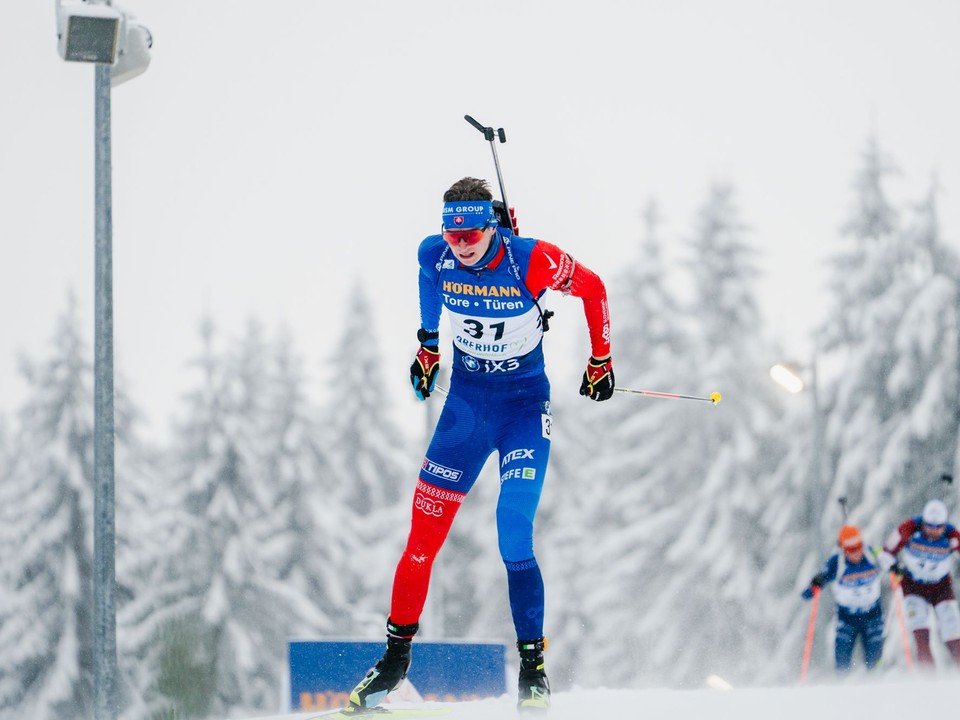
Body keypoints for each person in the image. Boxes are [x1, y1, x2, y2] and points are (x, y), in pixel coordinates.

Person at [346, 177, 613, 715]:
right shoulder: (436, 254)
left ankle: (533, 669)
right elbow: (428, 282)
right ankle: (395, 660)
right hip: (466, 411)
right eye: (452, 232)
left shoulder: (531, 260)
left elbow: (594, 288)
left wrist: (600, 359)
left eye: (470, 232)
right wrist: (426, 348)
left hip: (520, 409)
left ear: (492, 225)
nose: (461, 243)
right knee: (422, 537)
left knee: (513, 529)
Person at [879, 499, 960, 667]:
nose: (934, 531)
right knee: (920, 631)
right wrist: (894, 567)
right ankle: (928, 677)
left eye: (939, 527)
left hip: (941, 586)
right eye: (930, 526)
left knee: (952, 631)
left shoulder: (952, 535)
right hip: (913, 586)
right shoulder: (909, 528)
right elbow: (885, 553)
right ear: (923, 522)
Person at [801, 525, 885, 672]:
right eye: (851, 549)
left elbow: (890, 561)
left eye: (859, 547)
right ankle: (842, 689)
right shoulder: (836, 562)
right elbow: (817, 582)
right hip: (847, 618)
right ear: (843, 549)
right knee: (842, 662)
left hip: (873, 615)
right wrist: (815, 584)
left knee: (874, 661)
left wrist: (897, 569)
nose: (856, 552)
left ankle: (876, 687)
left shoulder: (872, 554)